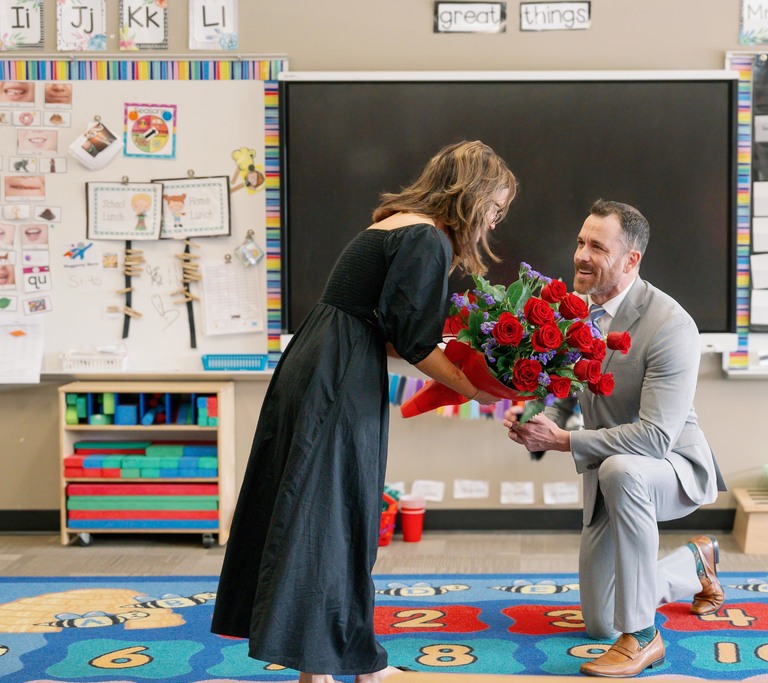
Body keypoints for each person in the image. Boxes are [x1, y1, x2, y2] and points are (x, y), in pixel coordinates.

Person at [212, 140, 517, 683]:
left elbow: (390, 330)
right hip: (339, 375)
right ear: (471, 195)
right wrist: (475, 387)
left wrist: (463, 359)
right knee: (336, 517)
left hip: (320, 360)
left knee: (320, 511)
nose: (493, 222)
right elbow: (416, 343)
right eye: (494, 208)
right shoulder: (425, 238)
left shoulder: (396, 224)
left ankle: (329, 663)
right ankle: (334, 664)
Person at [503, 199, 726, 678]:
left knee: (622, 469)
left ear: (631, 260)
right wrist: (535, 418)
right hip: (609, 477)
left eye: (597, 247)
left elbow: (655, 437)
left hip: (671, 467)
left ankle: (643, 637)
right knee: (600, 623)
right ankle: (695, 561)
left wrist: (565, 442)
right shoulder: (573, 311)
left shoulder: (671, 325)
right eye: (581, 242)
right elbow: (565, 395)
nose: (581, 255)